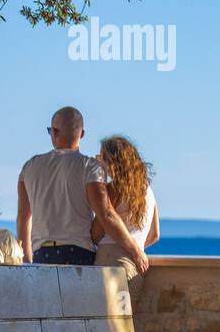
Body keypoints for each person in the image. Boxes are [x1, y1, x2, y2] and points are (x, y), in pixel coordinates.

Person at [17, 107, 148, 273]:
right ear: (82, 134)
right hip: (79, 254)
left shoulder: (29, 167)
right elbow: (106, 214)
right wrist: (135, 251)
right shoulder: (90, 167)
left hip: (42, 255)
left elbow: (23, 217)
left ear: (54, 133)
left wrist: (27, 261)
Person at [91, 135, 160, 299]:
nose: (99, 160)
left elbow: (96, 233)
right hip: (135, 267)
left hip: (110, 263)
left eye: (102, 157)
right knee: (125, 324)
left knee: (107, 323)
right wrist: (136, 250)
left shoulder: (112, 190)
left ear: (113, 162)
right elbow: (155, 235)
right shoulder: (148, 192)